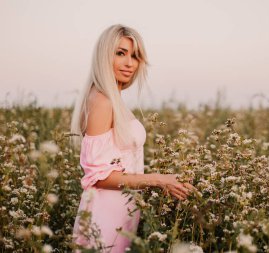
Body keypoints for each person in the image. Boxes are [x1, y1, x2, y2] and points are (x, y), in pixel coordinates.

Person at [70, 24, 196, 252]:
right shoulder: (102, 100)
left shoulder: (113, 99)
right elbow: (97, 178)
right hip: (104, 218)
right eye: (120, 53)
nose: (130, 63)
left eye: (135, 56)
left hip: (122, 213)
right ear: (103, 56)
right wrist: (158, 179)